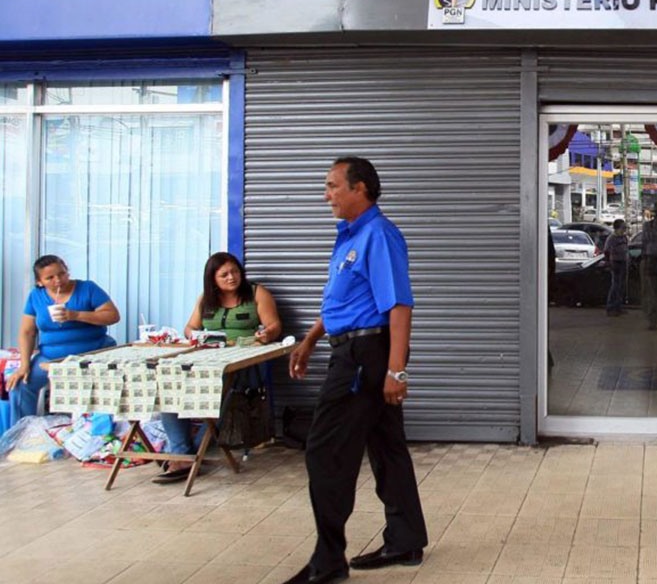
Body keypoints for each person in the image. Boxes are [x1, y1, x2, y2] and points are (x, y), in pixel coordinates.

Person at [283, 157, 427, 584]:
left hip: (364, 357)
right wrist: (311, 338)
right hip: (356, 348)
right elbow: (344, 301)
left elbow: (398, 305)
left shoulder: (378, 234)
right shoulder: (350, 236)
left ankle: (328, 560)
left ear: (359, 188)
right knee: (386, 446)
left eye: (332, 186)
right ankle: (405, 540)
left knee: (324, 451)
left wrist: (396, 372)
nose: (325, 194)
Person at [152, 252, 283, 484]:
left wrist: (266, 334)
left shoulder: (256, 293)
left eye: (235, 272)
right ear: (212, 279)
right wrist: (196, 336)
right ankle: (183, 452)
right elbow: (190, 328)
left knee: (223, 393)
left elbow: (274, 326)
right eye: (224, 275)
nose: (232, 277)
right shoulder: (206, 299)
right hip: (206, 359)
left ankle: (187, 456)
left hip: (243, 363)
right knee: (169, 387)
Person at [6, 256, 120, 421]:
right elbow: (27, 332)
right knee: (20, 384)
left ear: (67, 272)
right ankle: (21, 432)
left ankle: (100, 428)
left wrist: (76, 315)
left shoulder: (88, 288)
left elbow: (113, 316)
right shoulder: (35, 296)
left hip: (92, 354)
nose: (58, 280)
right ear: (39, 282)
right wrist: (24, 365)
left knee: (105, 385)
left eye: (61, 274)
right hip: (50, 357)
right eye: (50, 278)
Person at [640, 211, 657, 330]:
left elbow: (644, 243)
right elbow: (645, 243)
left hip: (656, 261)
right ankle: (652, 319)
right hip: (654, 261)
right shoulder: (652, 227)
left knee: (653, 293)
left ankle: (653, 319)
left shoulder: (649, 227)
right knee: (653, 293)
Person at [603, 218, 629, 316]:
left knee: (622, 286)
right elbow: (606, 251)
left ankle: (618, 307)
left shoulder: (624, 238)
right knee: (615, 285)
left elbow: (626, 249)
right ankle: (611, 307)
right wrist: (609, 263)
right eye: (623, 228)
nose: (624, 230)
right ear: (617, 228)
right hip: (615, 262)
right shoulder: (611, 238)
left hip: (623, 262)